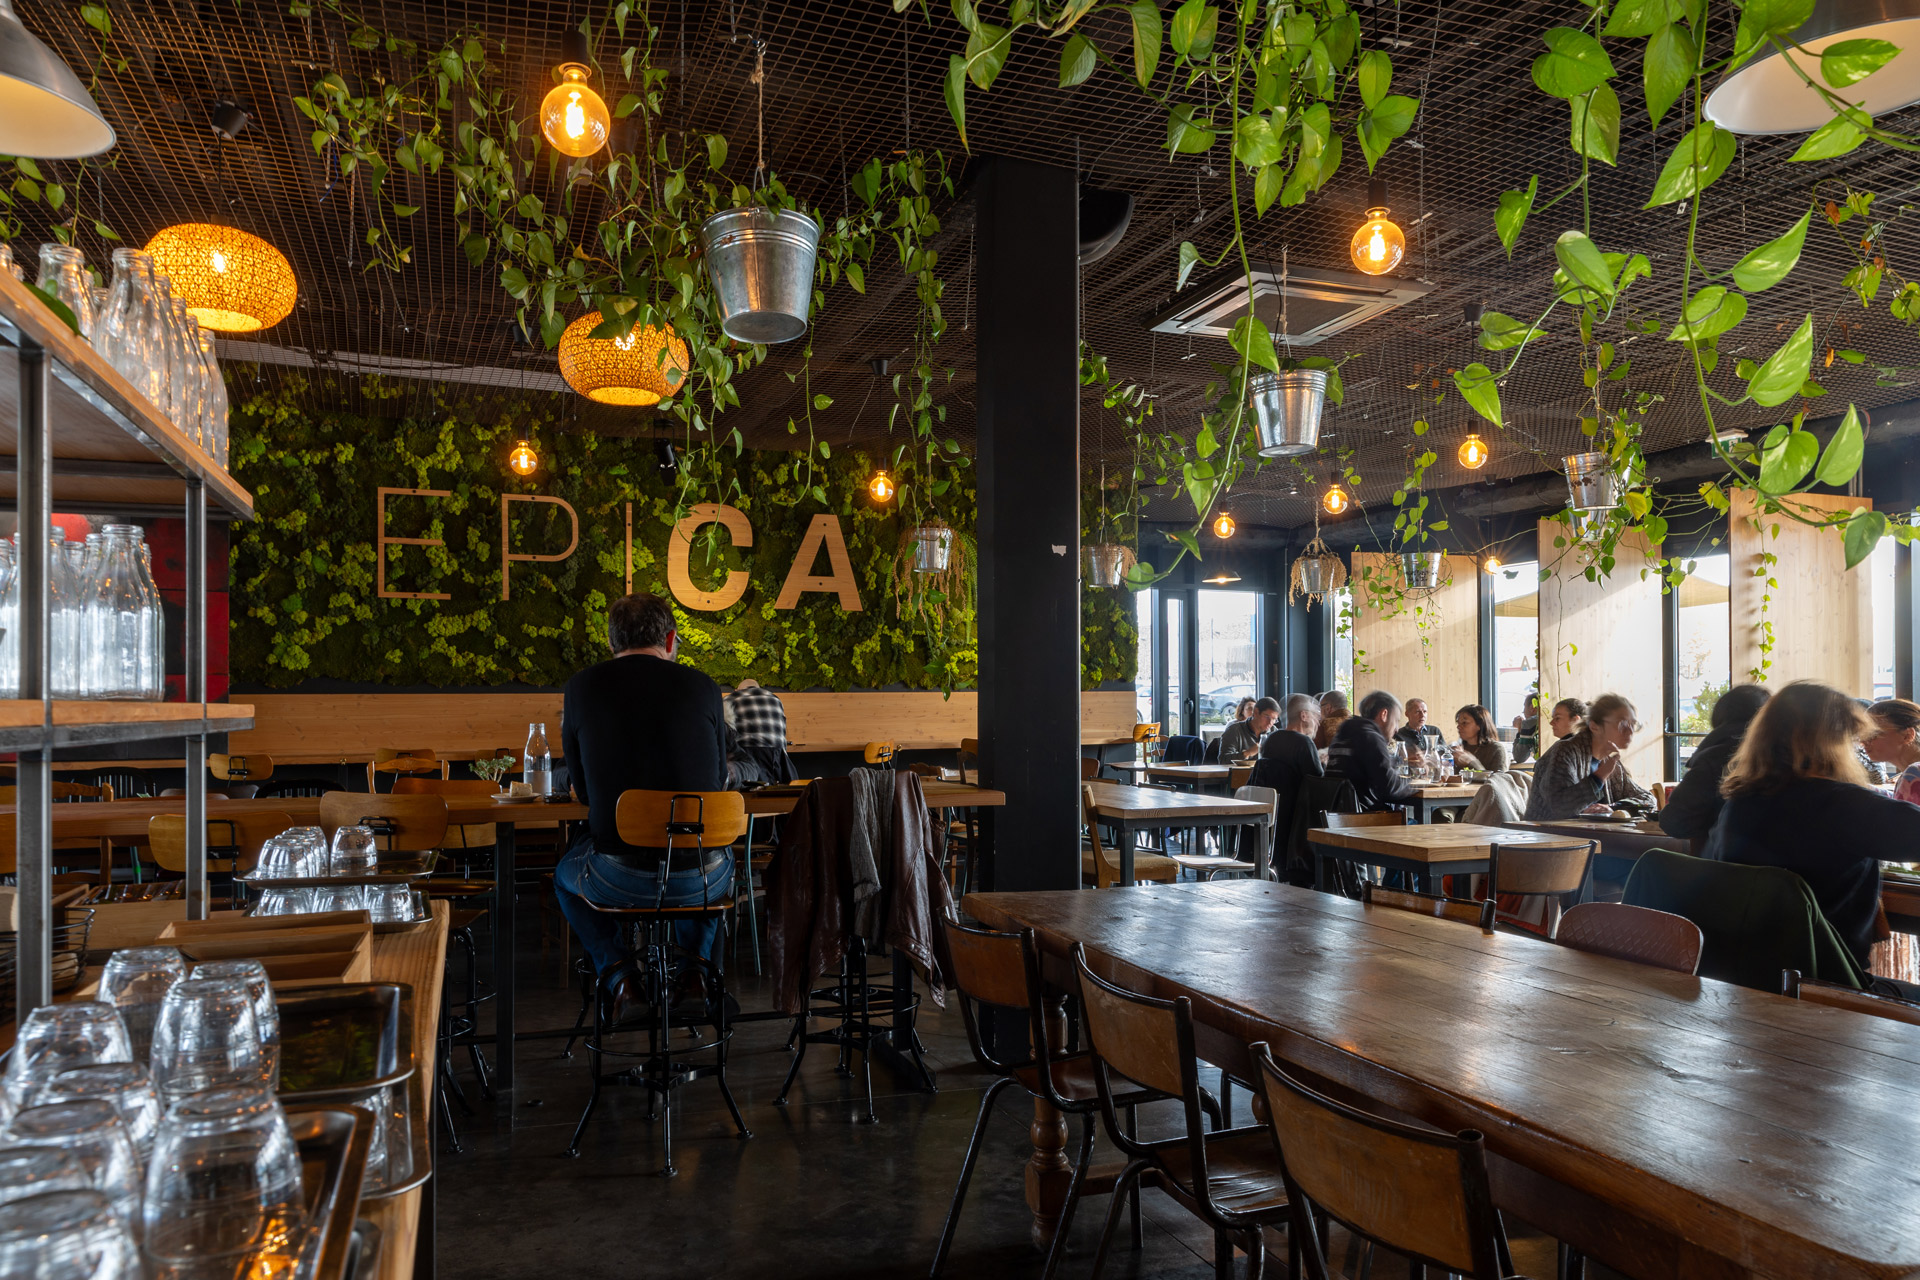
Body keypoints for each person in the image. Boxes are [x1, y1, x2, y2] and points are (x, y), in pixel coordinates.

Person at [554, 594, 732, 1008]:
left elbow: (581, 790)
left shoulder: (580, 687)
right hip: (702, 879)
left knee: (565, 875)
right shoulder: (704, 687)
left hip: (619, 876)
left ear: (612, 642)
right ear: (670, 639)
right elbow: (719, 780)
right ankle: (694, 973)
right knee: (712, 856)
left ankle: (620, 977)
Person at [1706, 680, 1920, 976]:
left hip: (1744, 977)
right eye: (1851, 737)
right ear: (1831, 741)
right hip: (1828, 983)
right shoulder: (1843, 806)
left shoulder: (1739, 803)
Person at [1658, 683, 1771, 842]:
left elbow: (1675, 821)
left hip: (1724, 862)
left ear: (1720, 715)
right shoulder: (1785, 758)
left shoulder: (1715, 758)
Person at [1523, 692, 1655, 820]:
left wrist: (1614, 807)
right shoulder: (1565, 751)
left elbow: (1648, 799)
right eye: (1623, 724)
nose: (1630, 731)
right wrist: (1598, 777)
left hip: (1592, 838)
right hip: (1549, 837)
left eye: (1633, 725)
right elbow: (1559, 808)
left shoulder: (1609, 760)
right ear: (1594, 726)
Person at [1251, 693, 1324, 875]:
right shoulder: (1304, 743)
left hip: (1273, 825)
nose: (1318, 721)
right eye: (1316, 715)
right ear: (1304, 715)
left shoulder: (1272, 740)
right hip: (1297, 828)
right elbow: (1317, 784)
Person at [1326, 689, 1423, 813]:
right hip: (1363, 821)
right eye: (1396, 721)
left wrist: (1400, 762)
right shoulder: (1369, 737)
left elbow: (1374, 771)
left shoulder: (1345, 733)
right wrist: (1417, 781)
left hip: (1340, 817)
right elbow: (1390, 788)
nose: (1397, 729)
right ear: (1384, 714)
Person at [1866, 698, 1920, 806]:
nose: (1864, 741)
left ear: (1907, 735)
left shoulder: (1914, 773)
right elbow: (1899, 801)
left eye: (1873, 734)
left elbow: (1902, 818)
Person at [726, 677, 789, 748]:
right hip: (778, 753)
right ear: (759, 689)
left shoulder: (730, 699)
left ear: (736, 690)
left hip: (745, 753)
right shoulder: (776, 700)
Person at [1453, 704, 1510, 772]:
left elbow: (1499, 780)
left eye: (1464, 723)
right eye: (1458, 723)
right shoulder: (1460, 749)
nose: (1458, 727)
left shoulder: (1497, 749)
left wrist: (1471, 762)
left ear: (1480, 725)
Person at [1220, 696, 1280, 760]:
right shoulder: (1234, 730)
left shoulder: (1273, 731)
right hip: (1241, 770)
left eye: (1274, 719)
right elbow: (1223, 759)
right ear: (1256, 712)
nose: (1270, 722)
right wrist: (1247, 753)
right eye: (1267, 717)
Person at [1511, 692, 1543, 764]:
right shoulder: (1547, 720)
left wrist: (1520, 729)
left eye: (1524, 707)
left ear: (1532, 708)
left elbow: (1519, 757)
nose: (1523, 712)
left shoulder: (1529, 723)